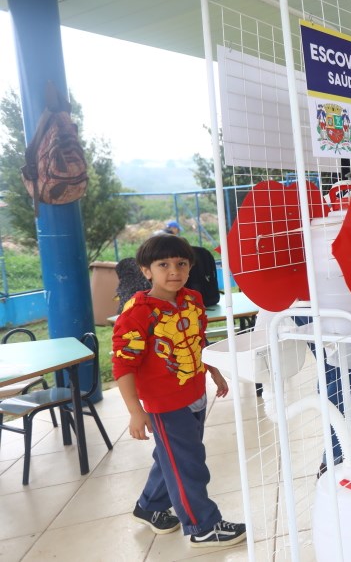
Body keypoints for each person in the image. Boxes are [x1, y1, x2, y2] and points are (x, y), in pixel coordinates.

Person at [112, 234, 247, 548]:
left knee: (172, 456)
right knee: (187, 462)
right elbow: (123, 366)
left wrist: (213, 370)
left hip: (194, 393)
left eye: (181, 263)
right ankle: (203, 526)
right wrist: (136, 411)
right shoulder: (137, 313)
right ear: (146, 271)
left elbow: (198, 341)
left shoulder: (192, 299)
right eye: (163, 265)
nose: (174, 271)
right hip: (164, 403)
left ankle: (149, 505)